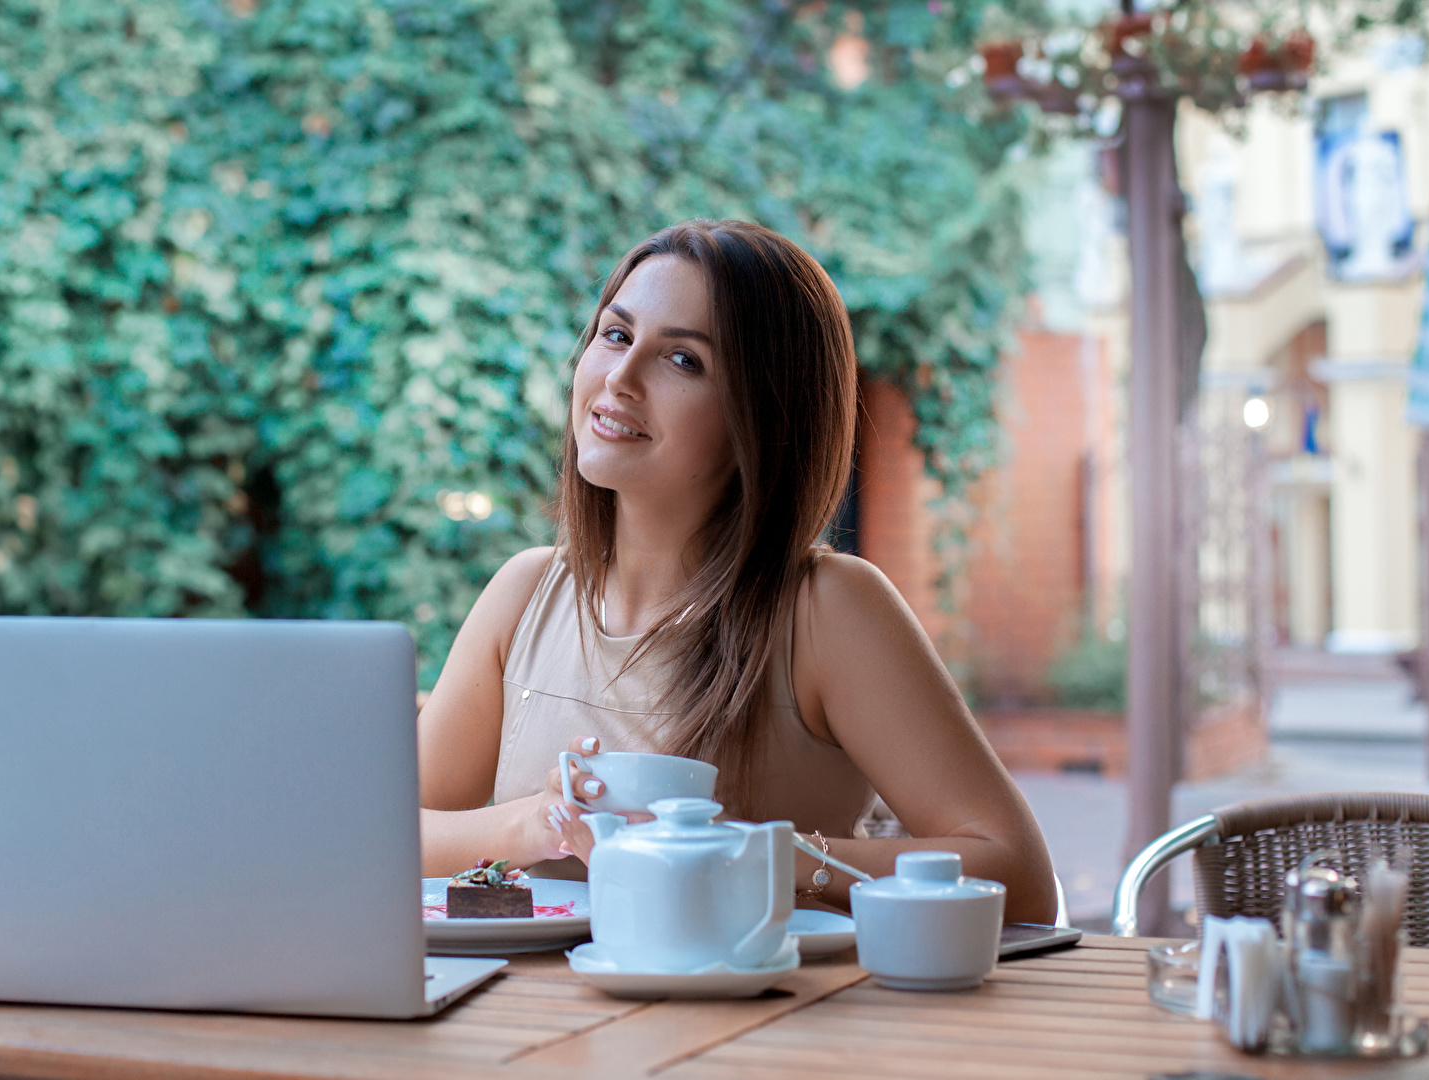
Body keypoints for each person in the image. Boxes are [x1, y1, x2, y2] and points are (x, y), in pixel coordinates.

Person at [417, 220, 1056, 923]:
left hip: (752, 1022)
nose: (620, 379)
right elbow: (390, 832)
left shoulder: (827, 610)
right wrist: (530, 825)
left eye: (683, 361)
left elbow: (1017, 873)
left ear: (763, 414)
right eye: (616, 335)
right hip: (525, 1020)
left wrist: (747, 854)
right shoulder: (526, 592)